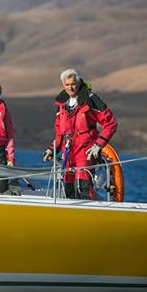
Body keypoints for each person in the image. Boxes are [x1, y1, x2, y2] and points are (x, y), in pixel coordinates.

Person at [43, 68, 117, 200]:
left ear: (78, 82)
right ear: (63, 85)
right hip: (68, 152)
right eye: (67, 85)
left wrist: (98, 145)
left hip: (85, 151)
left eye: (72, 84)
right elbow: (60, 131)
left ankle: (87, 215)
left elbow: (110, 123)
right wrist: (51, 150)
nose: (70, 88)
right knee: (68, 188)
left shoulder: (90, 99)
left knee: (83, 188)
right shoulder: (61, 103)